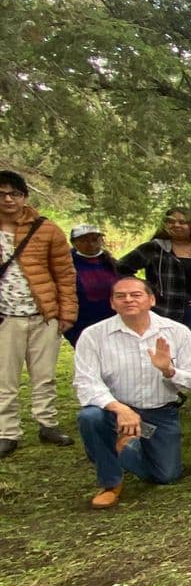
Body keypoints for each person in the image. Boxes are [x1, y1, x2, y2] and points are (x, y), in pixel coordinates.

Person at [73, 277, 191, 507]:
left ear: (151, 299)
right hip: (115, 410)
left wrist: (169, 370)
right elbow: (86, 382)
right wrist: (120, 409)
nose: (128, 300)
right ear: (112, 303)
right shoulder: (93, 335)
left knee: (166, 476)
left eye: (136, 295)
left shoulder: (176, 332)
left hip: (159, 411)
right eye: (120, 296)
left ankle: (124, 446)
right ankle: (110, 482)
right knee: (90, 417)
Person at [0, 171, 77, 457]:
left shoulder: (45, 229)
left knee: (44, 375)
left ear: (24, 196)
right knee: (4, 378)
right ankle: (7, 432)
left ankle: (48, 423)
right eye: (2, 194)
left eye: (15, 193)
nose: (9, 199)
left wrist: (66, 313)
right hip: (5, 317)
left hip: (43, 313)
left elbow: (65, 274)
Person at [118, 206, 191, 415]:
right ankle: (165, 393)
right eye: (171, 221)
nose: (176, 225)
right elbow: (122, 267)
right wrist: (147, 290)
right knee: (161, 349)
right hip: (165, 306)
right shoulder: (156, 248)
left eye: (182, 221)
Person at [68, 224, 119, 347]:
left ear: (101, 240)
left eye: (94, 239)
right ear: (74, 243)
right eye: (83, 240)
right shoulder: (67, 263)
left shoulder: (111, 263)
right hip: (82, 324)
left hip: (113, 321)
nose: (90, 244)